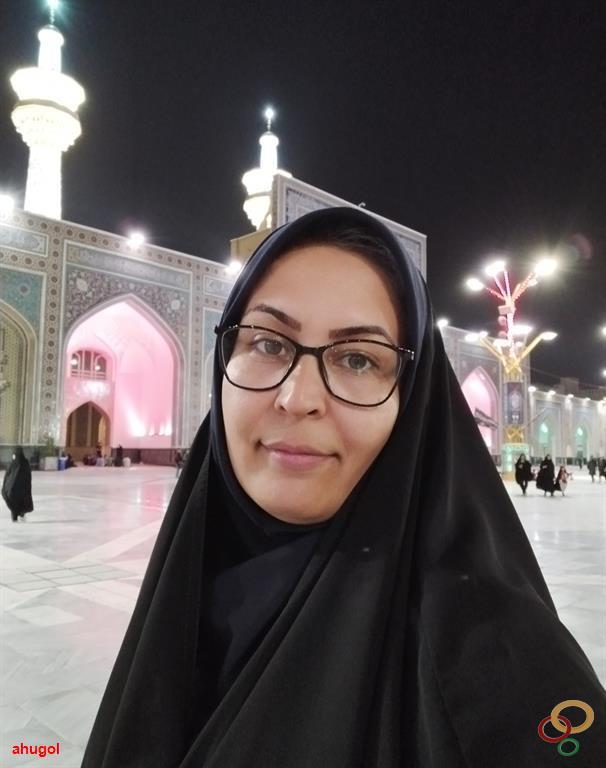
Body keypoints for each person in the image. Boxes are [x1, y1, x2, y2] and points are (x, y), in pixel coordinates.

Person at [81, 208, 606, 767]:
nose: (298, 398)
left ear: (413, 401)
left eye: (358, 359)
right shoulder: (186, 587)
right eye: (268, 344)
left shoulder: (489, 648)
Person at [2, 446, 33, 522]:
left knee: (13, 504)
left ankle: (15, 518)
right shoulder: (25, 463)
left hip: (12, 490)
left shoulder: (12, 463)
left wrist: (5, 487)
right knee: (22, 503)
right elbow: (28, 476)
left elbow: (7, 476)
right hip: (22, 490)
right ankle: (21, 514)